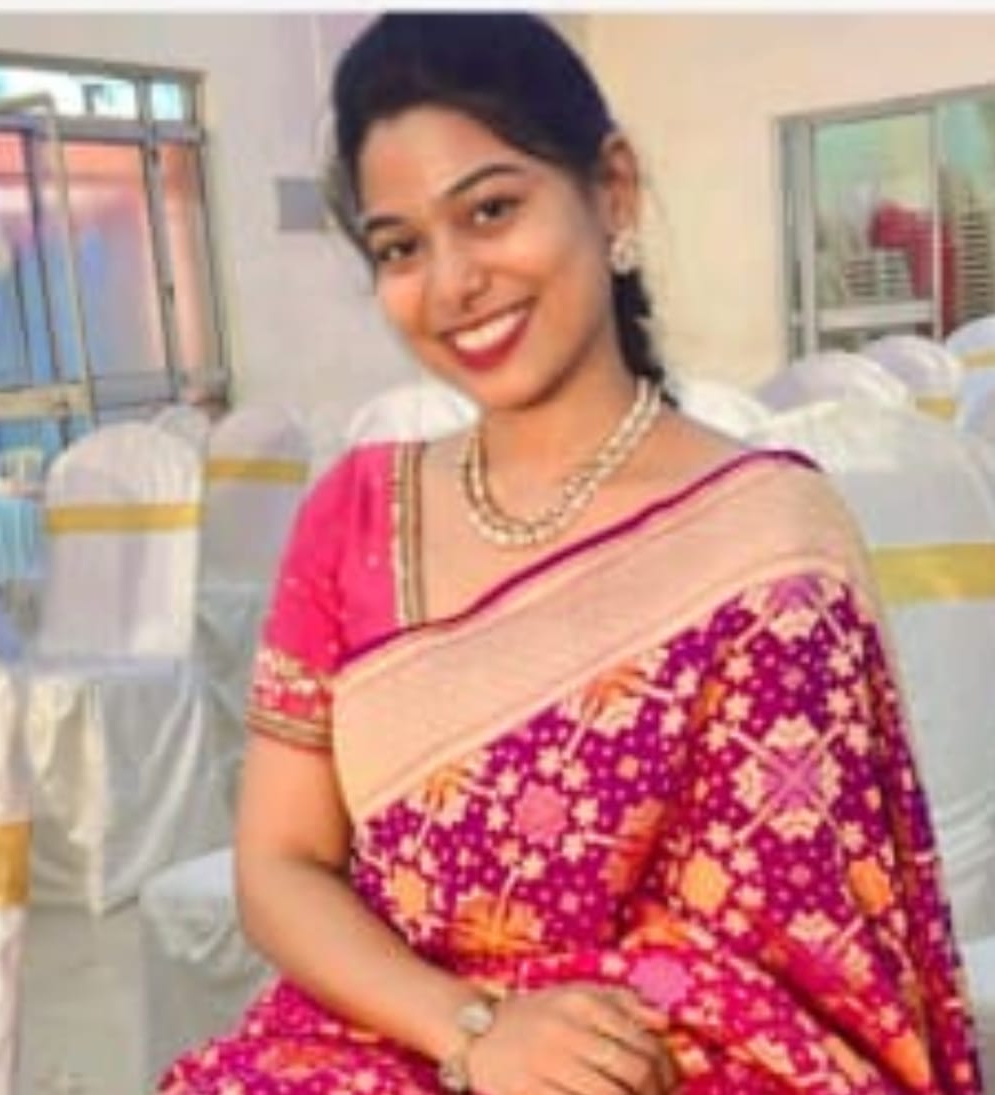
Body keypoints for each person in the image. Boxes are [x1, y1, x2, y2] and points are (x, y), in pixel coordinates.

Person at [158, 14, 982, 1095]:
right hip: (388, 1037)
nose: (451, 282)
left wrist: (570, 1052)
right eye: (400, 247)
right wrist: (472, 1028)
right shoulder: (353, 517)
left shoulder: (767, 536)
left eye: (491, 210)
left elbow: (811, 961)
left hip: (666, 1065)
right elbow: (279, 864)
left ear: (613, 193)